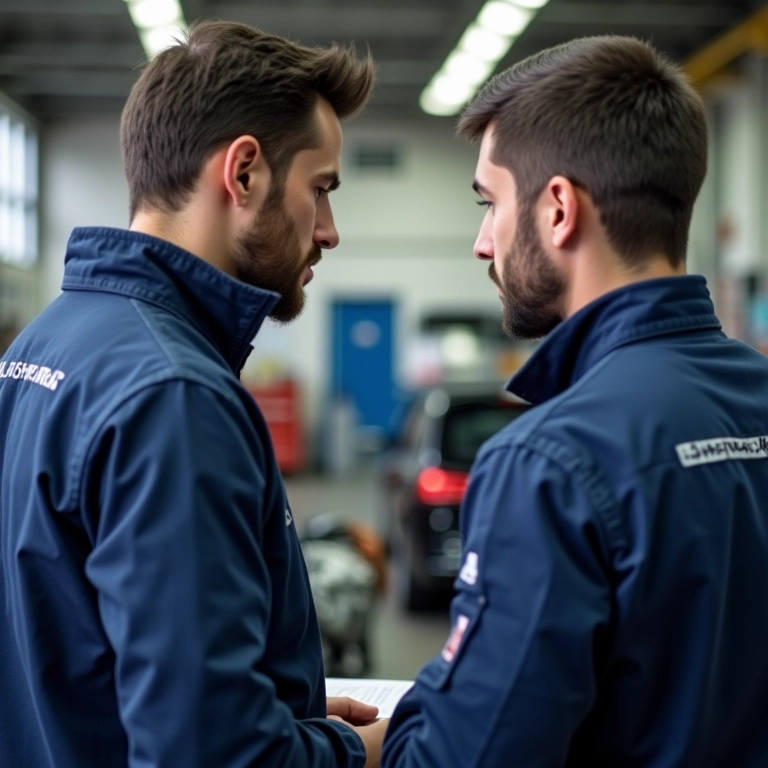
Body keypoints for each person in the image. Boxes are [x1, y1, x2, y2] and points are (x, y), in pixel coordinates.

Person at [0, 20, 389, 768]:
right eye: (322, 189)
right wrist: (351, 752)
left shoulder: (43, 345)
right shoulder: (174, 395)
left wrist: (288, 714)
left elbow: (80, 658)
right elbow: (208, 756)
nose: (330, 231)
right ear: (243, 173)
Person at [382, 35, 768, 767]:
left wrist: (405, 726)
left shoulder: (550, 461)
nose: (481, 244)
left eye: (489, 203)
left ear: (558, 210)